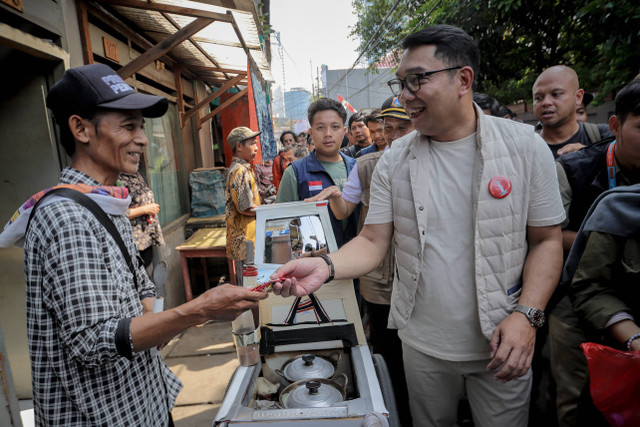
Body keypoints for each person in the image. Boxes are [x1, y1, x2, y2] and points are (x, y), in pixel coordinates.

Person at [271, 25, 565, 426]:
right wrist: (326, 266)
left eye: (417, 80)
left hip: (503, 343)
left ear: (463, 79)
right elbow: (373, 240)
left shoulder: (525, 148)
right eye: (401, 82)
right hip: (421, 345)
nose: (405, 94)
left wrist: (527, 316)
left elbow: (547, 241)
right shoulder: (395, 160)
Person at [0, 64, 266, 426]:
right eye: (128, 126)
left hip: (145, 403)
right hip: (103, 417)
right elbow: (92, 341)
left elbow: (140, 290)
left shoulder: (108, 201)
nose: (142, 139)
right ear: (80, 128)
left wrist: (158, 321)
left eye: (141, 126)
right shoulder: (66, 216)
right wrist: (197, 311)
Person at [306, 98, 414, 427]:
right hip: (379, 281)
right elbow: (346, 214)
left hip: (420, 281)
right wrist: (336, 195)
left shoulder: (433, 163)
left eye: (402, 127)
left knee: (419, 359)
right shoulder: (367, 166)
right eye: (388, 128)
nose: (394, 135)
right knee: (387, 353)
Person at [549, 78, 640, 427]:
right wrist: (612, 241)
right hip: (577, 296)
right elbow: (549, 236)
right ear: (615, 125)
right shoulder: (574, 169)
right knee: (578, 398)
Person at [276, 98, 359, 248]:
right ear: (311, 132)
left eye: (335, 127)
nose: (328, 134)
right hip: (314, 262)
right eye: (320, 128)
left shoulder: (357, 168)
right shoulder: (295, 172)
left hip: (355, 261)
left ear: (345, 132)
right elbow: (280, 224)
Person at [533, 65, 612, 158]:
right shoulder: (523, 149)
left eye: (556, 94)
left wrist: (590, 155)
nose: (546, 102)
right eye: (539, 98)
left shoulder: (607, 136)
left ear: (578, 97)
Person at [225, 126, 262, 275]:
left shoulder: (242, 168)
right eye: (253, 143)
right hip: (245, 241)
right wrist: (267, 211)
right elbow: (245, 208)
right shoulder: (239, 170)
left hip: (248, 239)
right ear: (239, 146)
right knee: (249, 285)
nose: (257, 148)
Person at [120, 171, 165, 271]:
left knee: (148, 273)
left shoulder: (136, 174)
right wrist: (145, 209)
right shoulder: (116, 180)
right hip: (132, 242)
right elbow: (119, 214)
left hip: (146, 237)